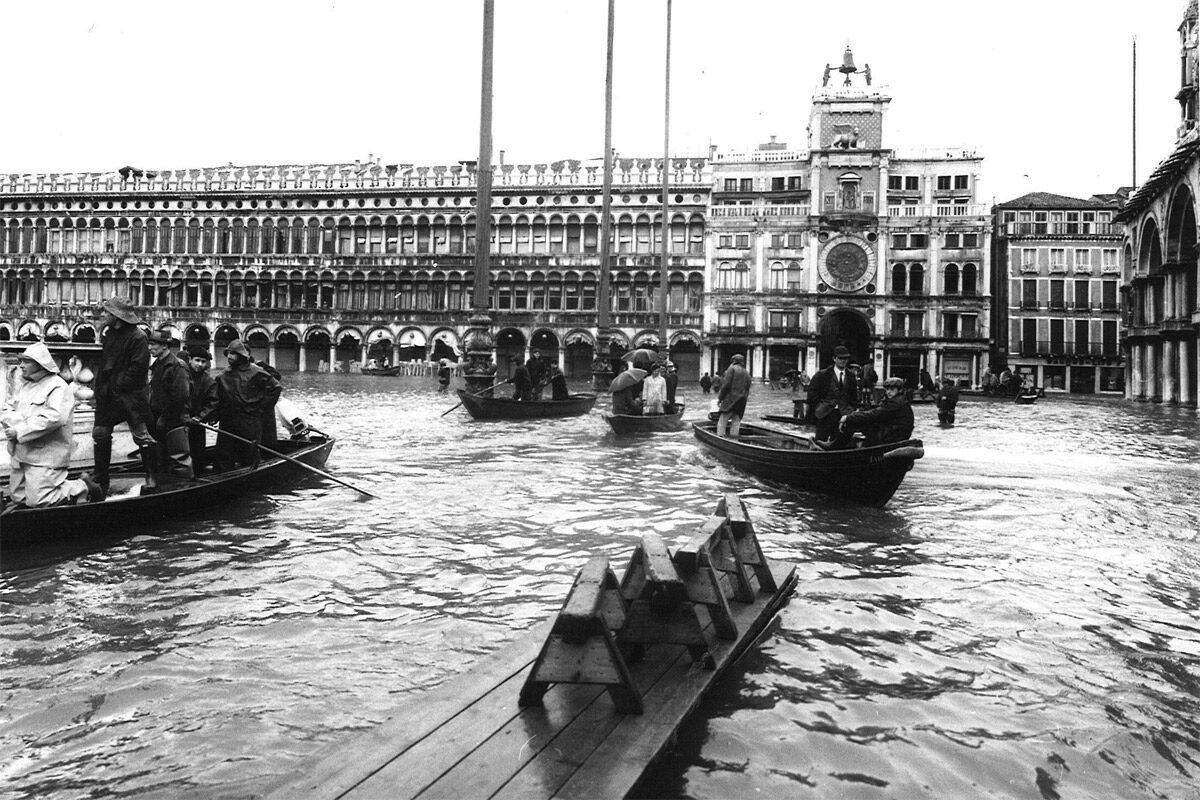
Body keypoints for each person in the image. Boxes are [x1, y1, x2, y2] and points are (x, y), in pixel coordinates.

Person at [1, 342, 101, 508]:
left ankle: (82, 487)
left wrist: (19, 430)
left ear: (39, 364)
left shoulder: (58, 386)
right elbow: (7, 409)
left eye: (26, 362)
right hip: (21, 451)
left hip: (45, 454)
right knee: (19, 498)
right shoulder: (24, 385)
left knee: (39, 500)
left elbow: (54, 418)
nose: (21, 366)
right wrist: (16, 427)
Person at [92, 295, 156, 497]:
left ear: (116, 316)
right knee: (100, 434)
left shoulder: (138, 337)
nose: (103, 315)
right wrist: (101, 388)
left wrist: (118, 385)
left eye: (106, 313)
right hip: (109, 394)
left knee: (142, 436)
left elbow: (138, 368)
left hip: (131, 396)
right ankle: (100, 478)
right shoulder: (109, 334)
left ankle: (151, 475)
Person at [215, 339, 282, 469]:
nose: (229, 357)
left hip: (249, 420)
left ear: (241, 356)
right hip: (228, 420)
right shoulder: (222, 376)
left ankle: (250, 473)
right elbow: (218, 399)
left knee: (249, 452)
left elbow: (275, 388)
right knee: (224, 451)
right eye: (228, 353)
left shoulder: (257, 371)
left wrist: (261, 408)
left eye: (233, 354)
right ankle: (222, 475)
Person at [147, 330, 193, 484]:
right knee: (161, 458)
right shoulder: (158, 365)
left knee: (180, 459)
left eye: (153, 344)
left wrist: (164, 418)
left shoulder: (177, 366)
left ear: (165, 346)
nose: (150, 347)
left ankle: (184, 489)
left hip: (174, 420)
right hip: (158, 419)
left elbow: (181, 396)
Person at [824, 376, 914, 449]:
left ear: (900, 390)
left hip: (892, 435)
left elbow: (875, 414)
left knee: (852, 422)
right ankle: (838, 444)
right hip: (894, 432)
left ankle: (835, 446)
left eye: (892, 389)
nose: (888, 392)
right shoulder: (900, 400)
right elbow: (876, 412)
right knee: (859, 421)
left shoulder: (896, 402)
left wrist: (848, 418)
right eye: (887, 389)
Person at [808, 345, 860, 443]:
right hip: (825, 414)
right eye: (840, 358)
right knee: (820, 441)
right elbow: (812, 393)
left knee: (839, 442)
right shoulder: (822, 375)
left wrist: (851, 409)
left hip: (843, 414)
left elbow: (854, 396)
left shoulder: (851, 376)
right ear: (834, 358)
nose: (843, 361)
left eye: (846, 358)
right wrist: (819, 406)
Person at [186, 345, 219, 474]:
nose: (199, 364)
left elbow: (213, 402)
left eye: (203, 362)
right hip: (178, 422)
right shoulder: (180, 375)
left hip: (196, 424)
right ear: (190, 360)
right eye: (197, 360)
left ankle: (197, 476)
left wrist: (200, 417)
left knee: (197, 453)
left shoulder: (208, 381)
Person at [716, 354, 751, 437]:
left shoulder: (731, 369)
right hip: (742, 401)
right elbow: (747, 388)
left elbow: (726, 385)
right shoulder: (747, 373)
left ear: (733, 361)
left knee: (723, 420)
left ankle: (720, 438)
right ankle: (734, 440)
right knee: (736, 422)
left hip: (731, 399)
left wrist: (720, 398)